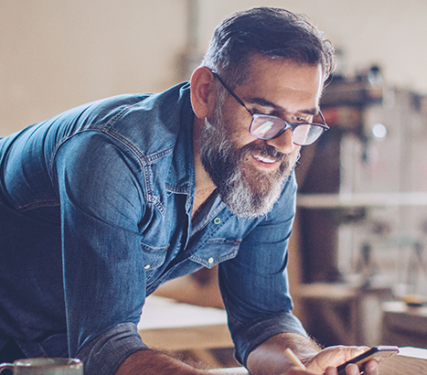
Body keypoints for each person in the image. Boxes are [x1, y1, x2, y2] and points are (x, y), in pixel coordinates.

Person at [0, 6, 378, 375]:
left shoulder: (269, 174)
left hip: (45, 340)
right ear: (205, 93)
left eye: (301, 122)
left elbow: (262, 320)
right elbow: (105, 346)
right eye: (265, 116)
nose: (283, 143)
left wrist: (301, 362)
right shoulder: (113, 158)